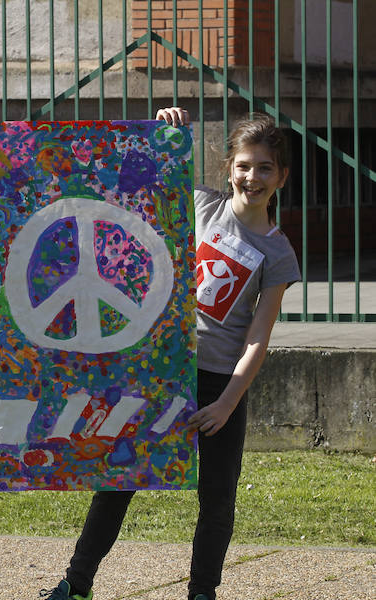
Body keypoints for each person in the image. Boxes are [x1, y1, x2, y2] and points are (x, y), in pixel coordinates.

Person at [42, 107, 301, 600]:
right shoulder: (202, 207)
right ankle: (76, 584)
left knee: (218, 497)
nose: (253, 177)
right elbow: (140, 184)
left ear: (281, 177)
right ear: (230, 168)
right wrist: (166, 132)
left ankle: (202, 592)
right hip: (162, 371)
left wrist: (227, 402)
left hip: (218, 384)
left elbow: (258, 337)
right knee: (119, 479)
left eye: (265, 167)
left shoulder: (278, 254)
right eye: (244, 165)